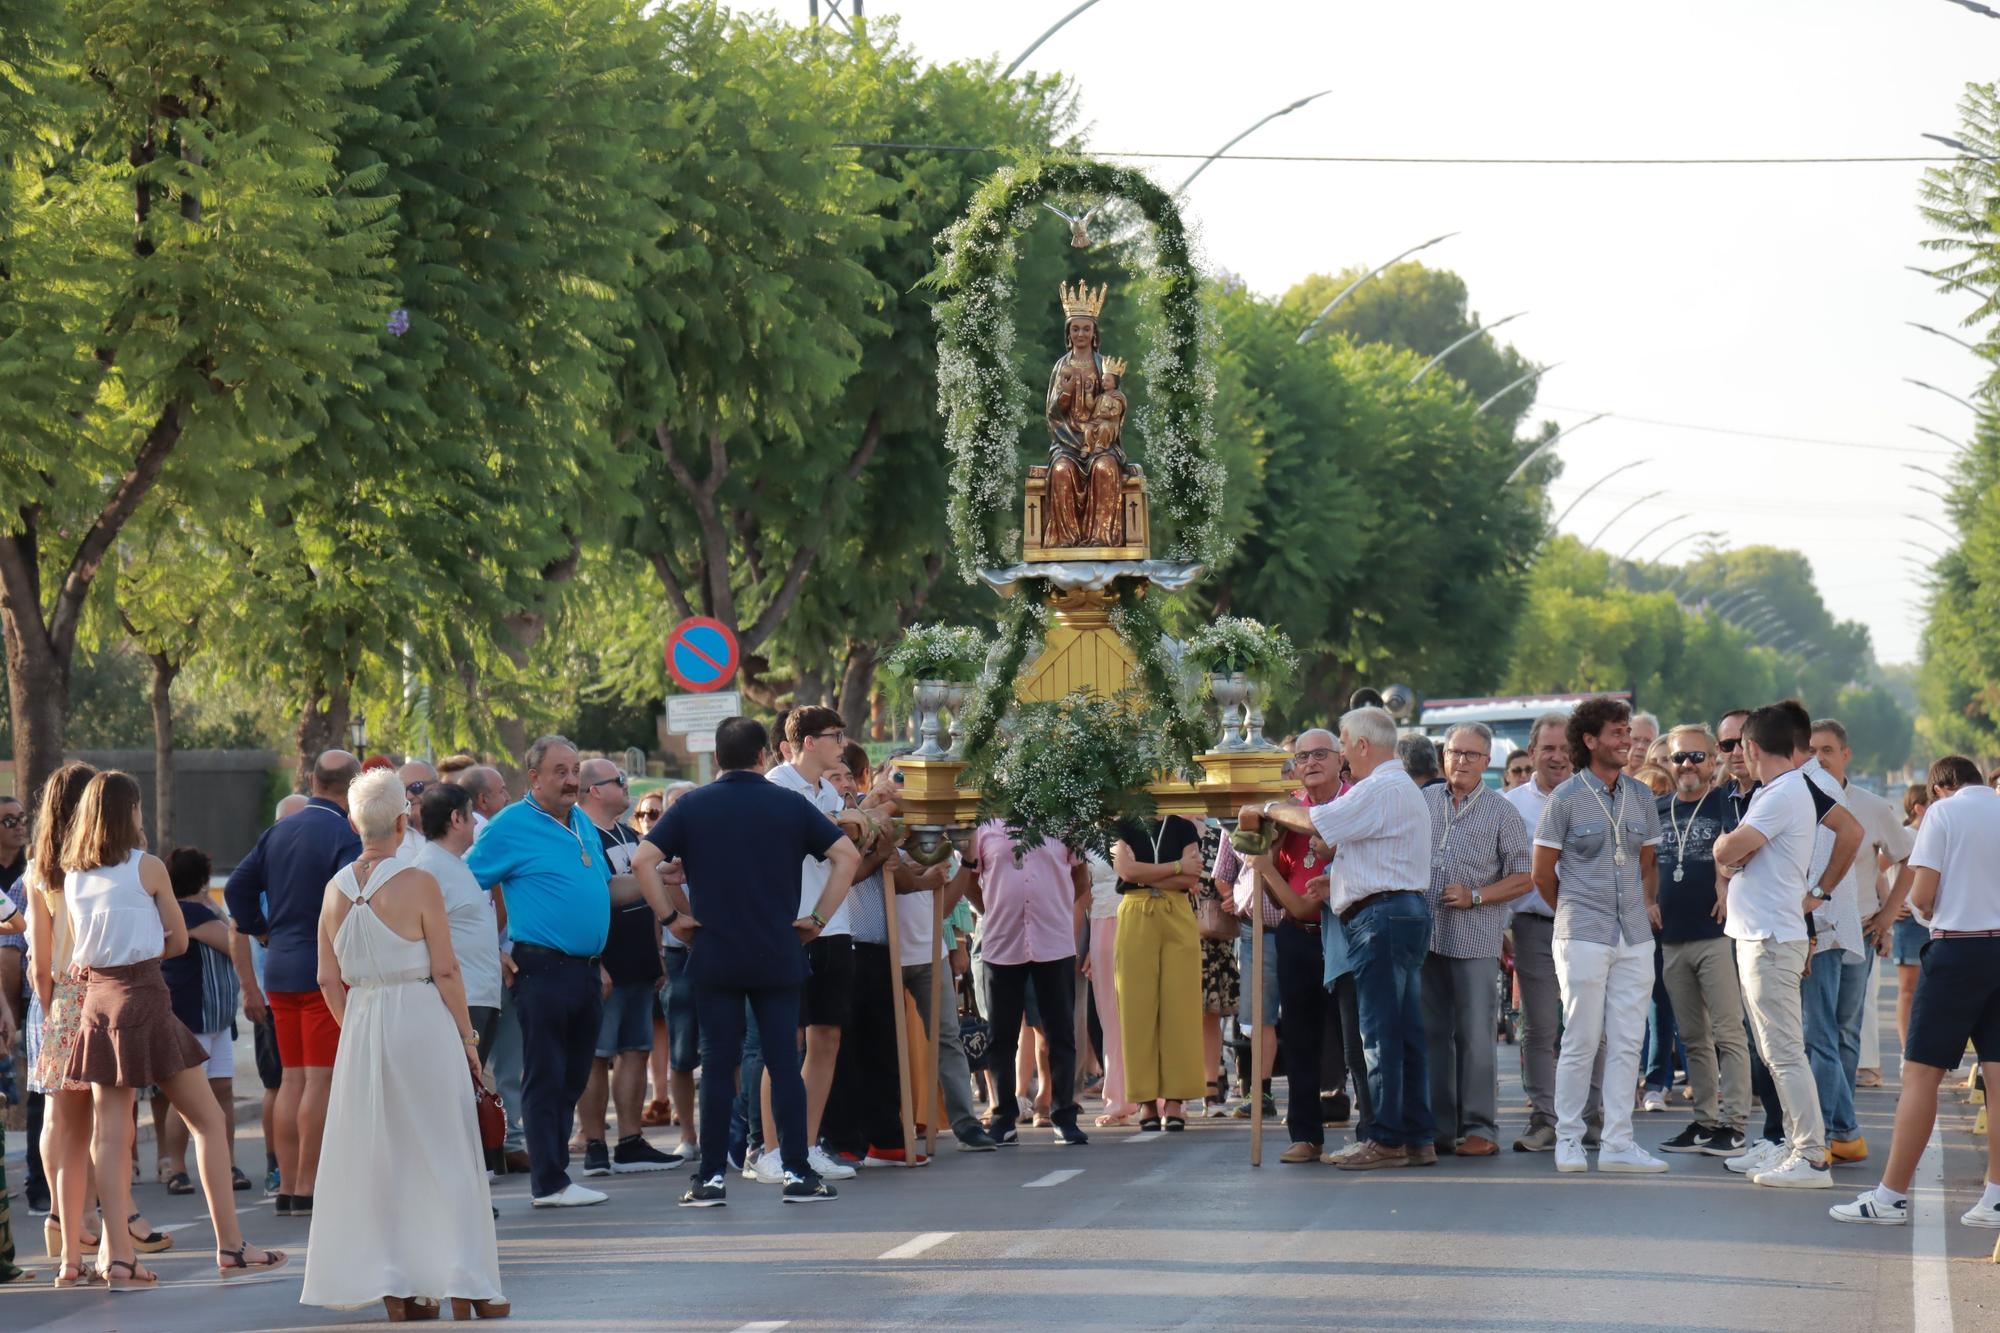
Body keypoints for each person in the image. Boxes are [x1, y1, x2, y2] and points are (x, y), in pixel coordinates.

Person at [62, 771, 286, 1289]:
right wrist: (143, 946)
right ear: (130, 811)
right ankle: (231, 1245)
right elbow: (180, 941)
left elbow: (77, 955)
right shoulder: (148, 867)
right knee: (207, 1120)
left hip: (97, 1002)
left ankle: (118, 1255)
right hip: (144, 995)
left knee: (111, 1133)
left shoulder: (74, 875)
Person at [632, 716, 862, 1207]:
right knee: (784, 1061)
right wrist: (818, 919)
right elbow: (847, 856)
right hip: (778, 947)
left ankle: (710, 1177)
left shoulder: (692, 805)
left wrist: (671, 918)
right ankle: (796, 1171)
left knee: (717, 1065)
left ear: (718, 757)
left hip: (715, 949)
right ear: (764, 756)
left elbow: (641, 861)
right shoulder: (788, 804)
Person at [302, 768, 505, 1320]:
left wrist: (357, 1029)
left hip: (364, 1024)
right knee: (446, 1149)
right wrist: (467, 1039)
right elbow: (446, 970)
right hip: (421, 1020)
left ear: (352, 821)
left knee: (383, 1159)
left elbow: (325, 979)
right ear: (401, 819)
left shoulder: (334, 890)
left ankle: (403, 1287)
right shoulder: (419, 883)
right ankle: (468, 1281)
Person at [1242, 705, 1435, 1170]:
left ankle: (1387, 1139)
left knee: (1379, 1036)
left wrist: (1264, 808)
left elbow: (1316, 821)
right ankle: (1415, 1135)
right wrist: (1341, 881)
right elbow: (1373, 851)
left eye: (1344, 747)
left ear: (1363, 745)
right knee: (1404, 1033)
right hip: (1398, 909)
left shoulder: (1378, 786)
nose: (1344, 757)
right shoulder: (1398, 786)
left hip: (1382, 918)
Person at [1831, 755, 2000, 1229]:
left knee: (1921, 1074)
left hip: (1959, 948)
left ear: (1940, 787)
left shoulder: (1943, 813)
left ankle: (1891, 1196)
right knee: (1997, 1075)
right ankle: (1996, 1195)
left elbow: (1922, 895)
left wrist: (1924, 914)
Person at [465, 736, 620, 1208]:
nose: (572, 779)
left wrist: (661, 880)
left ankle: (556, 1176)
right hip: (541, 967)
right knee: (547, 1074)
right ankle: (550, 1182)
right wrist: (491, 951)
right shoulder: (511, 825)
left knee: (573, 1075)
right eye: (560, 771)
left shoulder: (581, 822)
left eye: (574, 769)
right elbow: (460, 888)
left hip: (585, 971)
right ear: (533, 778)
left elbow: (606, 888)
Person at [1531, 697, 1668, 1176]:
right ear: (1590, 741)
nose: (1626, 740)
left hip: (1633, 932)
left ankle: (1618, 1142)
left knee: (1629, 1040)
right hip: (1583, 932)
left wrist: (1645, 904)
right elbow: (1542, 874)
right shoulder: (1563, 799)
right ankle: (1568, 1138)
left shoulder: (1642, 796)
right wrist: (1573, 914)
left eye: (1627, 731)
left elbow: (1648, 863)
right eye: (1616, 733)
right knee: (1582, 1038)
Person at [225, 749, 364, 1217]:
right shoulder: (346, 833)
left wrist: (261, 928)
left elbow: (236, 889)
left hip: (281, 967)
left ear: (313, 780)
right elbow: (353, 896)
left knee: (291, 1080)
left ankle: (287, 1184)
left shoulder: (279, 829)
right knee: (320, 1081)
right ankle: (309, 1184)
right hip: (324, 968)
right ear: (352, 786)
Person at [1711, 705, 1841, 1188]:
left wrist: (1725, 847)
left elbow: (1728, 850)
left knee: (1783, 1051)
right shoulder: (1781, 792)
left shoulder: (1780, 794)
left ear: (1752, 748)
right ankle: (1794, 1144)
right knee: (1774, 1050)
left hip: (1769, 938)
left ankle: (1811, 1155)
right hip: (1761, 934)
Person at [1422, 723, 1534, 1159]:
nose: (1461, 762)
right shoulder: (1423, 801)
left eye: (1471, 755)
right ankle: (1437, 1127)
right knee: (1432, 1034)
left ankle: (1480, 1128)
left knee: (1474, 1036)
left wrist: (1477, 896)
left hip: (1475, 938)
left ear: (1488, 763)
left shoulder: (1502, 811)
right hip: (1425, 936)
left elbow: (1524, 877)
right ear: (1442, 757)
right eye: (1454, 753)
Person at [765, 706, 862, 1182]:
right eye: (833, 735)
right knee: (784, 1041)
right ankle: (770, 1148)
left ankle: (804, 1143)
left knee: (828, 1035)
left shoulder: (830, 791)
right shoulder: (776, 787)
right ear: (806, 742)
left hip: (835, 924)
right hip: (790, 925)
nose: (841, 743)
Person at [1809, 718, 1914, 1159]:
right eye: (1811, 749)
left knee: (1846, 1031)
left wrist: (1888, 916)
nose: (1819, 758)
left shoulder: (1871, 807)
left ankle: (1838, 1130)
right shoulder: (1799, 800)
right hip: (1816, 934)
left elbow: (1908, 858)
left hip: (1860, 933)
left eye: (1827, 750)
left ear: (1845, 754)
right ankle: (1839, 1129)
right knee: (1820, 1033)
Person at [574, 759, 678, 1178]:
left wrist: (657, 953)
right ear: (595, 790)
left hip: (637, 960)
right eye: (619, 781)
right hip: (604, 961)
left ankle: (631, 1141)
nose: (626, 786)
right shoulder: (581, 836)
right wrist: (594, 961)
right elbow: (585, 900)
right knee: (597, 1054)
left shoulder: (630, 836)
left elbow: (650, 894)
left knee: (636, 1050)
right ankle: (596, 1142)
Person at [1651, 727, 1751, 1158]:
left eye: (1696, 757)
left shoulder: (1726, 805)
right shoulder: (1657, 809)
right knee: (1693, 1036)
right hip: (1671, 938)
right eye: (1679, 758)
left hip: (1716, 936)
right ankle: (1705, 1119)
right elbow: (1643, 865)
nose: (1687, 766)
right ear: (1668, 764)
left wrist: (1724, 883)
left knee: (1728, 1032)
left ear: (1713, 761)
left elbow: (1742, 854)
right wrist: (1646, 898)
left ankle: (1735, 1123)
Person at [1502, 712, 1600, 1152]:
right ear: (1532, 752)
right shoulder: (1510, 804)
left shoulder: (1599, 798)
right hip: (1535, 927)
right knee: (1539, 1028)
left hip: (1589, 926)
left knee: (1588, 1025)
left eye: (1565, 748)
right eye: (1548, 748)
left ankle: (1590, 1119)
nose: (1557, 757)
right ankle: (1545, 1118)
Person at [25, 762, 102, 1283]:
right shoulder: (101, 863)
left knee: (58, 1116)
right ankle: (98, 1223)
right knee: (103, 1118)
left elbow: (37, 957)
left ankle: (60, 1216)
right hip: (99, 988)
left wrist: (51, 1004)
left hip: (59, 996)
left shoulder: (39, 866)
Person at [969, 819, 1089, 1146]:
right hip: (1003, 942)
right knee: (1001, 1036)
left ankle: (1063, 1114)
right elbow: (968, 877)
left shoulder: (1062, 822)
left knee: (1059, 1033)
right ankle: (1003, 1116)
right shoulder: (986, 827)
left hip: (1053, 942)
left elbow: (1081, 876)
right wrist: (991, 909)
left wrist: (1058, 909)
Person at [154, 847, 247, 1195]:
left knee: (220, 1090)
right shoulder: (190, 912)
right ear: (203, 879)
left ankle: (220, 1163)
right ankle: (180, 1167)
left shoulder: (192, 910)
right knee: (190, 1097)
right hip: (195, 1016)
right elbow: (233, 944)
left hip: (214, 1016)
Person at [1111, 812, 1206, 1133]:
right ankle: (1146, 1101)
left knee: (1180, 1007)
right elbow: (1125, 870)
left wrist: (1147, 874)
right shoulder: (1122, 824)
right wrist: (1176, 867)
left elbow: (1191, 879)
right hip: (1135, 912)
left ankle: (1176, 1100)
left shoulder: (1184, 826)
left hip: (1176, 911)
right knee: (1137, 1009)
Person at [413, 784, 503, 1063]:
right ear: (455, 819)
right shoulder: (426, 870)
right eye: (470, 814)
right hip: (462, 1002)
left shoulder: (455, 864)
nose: (476, 821)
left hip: (480, 997)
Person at [1886, 783, 1932, 1052]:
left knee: (1932, 992)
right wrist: (1890, 905)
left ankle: (1928, 1052)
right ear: (1919, 807)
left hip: (1935, 921)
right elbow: (1875, 868)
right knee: (1908, 990)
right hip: (1910, 923)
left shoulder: (1937, 833)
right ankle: (1907, 1053)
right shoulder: (1905, 835)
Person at [1624, 712, 1662, 780]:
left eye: (1647, 741)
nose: (1640, 746)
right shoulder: (1606, 776)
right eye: (1635, 739)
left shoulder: (1660, 785)